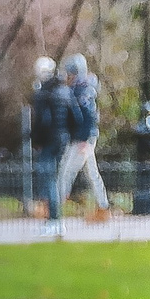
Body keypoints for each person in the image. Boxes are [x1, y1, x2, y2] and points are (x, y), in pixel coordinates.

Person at [56, 52, 109, 220]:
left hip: (82, 139)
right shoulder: (81, 89)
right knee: (92, 174)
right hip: (82, 138)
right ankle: (103, 207)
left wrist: (85, 140)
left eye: (69, 73)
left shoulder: (82, 91)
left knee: (66, 172)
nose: (67, 77)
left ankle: (54, 207)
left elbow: (89, 117)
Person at [28, 57, 72, 233]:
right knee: (55, 179)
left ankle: (54, 219)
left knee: (48, 179)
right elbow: (74, 115)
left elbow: (42, 121)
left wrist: (36, 139)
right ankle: (54, 218)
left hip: (49, 141)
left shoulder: (43, 94)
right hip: (63, 139)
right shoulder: (64, 90)